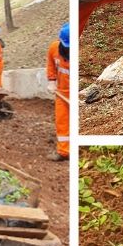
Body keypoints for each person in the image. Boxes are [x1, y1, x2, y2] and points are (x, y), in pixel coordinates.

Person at [45, 24, 70, 161]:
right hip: (61, 93)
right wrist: (51, 80)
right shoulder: (54, 48)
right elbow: (50, 63)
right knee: (62, 122)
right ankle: (64, 151)